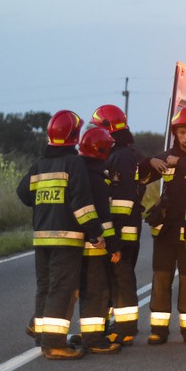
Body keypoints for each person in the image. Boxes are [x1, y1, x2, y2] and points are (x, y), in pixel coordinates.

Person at [17, 110, 105, 360]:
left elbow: (23, 193)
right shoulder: (74, 163)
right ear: (74, 136)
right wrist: (95, 233)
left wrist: (46, 204)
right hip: (66, 239)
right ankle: (54, 344)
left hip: (41, 238)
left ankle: (42, 335)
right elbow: (82, 205)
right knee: (61, 289)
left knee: (45, 287)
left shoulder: (40, 164)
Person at [145, 107, 186, 345]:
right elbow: (140, 177)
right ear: (175, 133)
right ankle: (158, 329)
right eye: (181, 132)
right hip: (165, 231)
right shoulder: (164, 156)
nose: (185, 137)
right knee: (161, 278)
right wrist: (150, 161)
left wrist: (179, 162)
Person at [91, 104, 150, 346]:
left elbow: (123, 201)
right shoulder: (126, 153)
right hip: (121, 229)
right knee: (114, 279)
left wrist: (114, 239)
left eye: (97, 128)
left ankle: (125, 329)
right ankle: (113, 327)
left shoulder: (121, 157)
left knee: (122, 279)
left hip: (122, 231)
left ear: (108, 129)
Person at [74, 126, 122, 354]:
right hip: (95, 244)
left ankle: (86, 335)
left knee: (76, 289)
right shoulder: (97, 177)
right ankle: (94, 339)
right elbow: (105, 217)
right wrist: (113, 245)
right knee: (96, 291)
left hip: (71, 244)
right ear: (101, 149)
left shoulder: (75, 169)